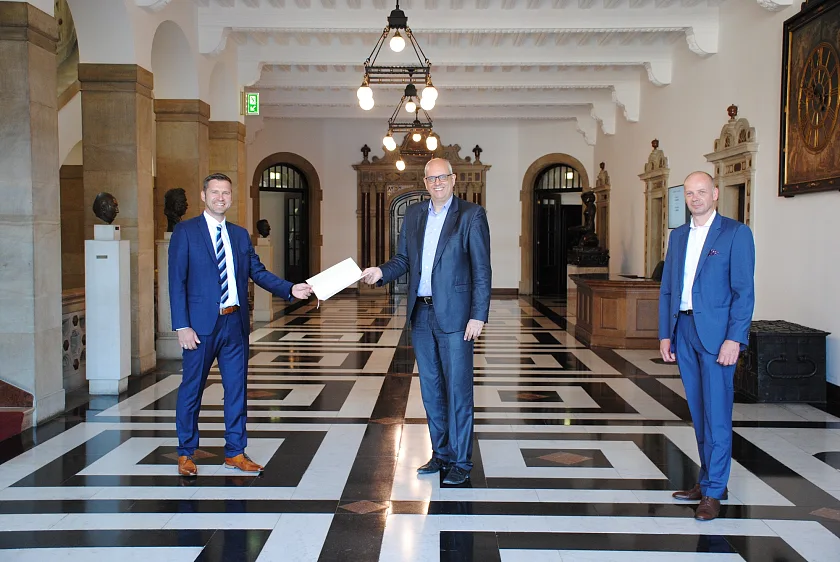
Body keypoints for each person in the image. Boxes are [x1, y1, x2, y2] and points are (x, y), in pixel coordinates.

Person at [169, 172, 313, 477]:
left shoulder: (238, 235)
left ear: (231, 198)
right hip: (199, 326)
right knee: (191, 390)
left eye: (226, 193)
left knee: (236, 390)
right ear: (203, 195)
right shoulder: (186, 232)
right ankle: (185, 453)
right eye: (215, 192)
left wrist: (290, 288)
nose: (221, 198)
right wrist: (182, 325)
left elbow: (257, 272)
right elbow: (176, 281)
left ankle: (235, 452)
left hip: (234, 324)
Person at [361, 158, 491, 485]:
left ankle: (461, 461)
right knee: (431, 389)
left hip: (457, 317)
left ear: (453, 179)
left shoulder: (471, 215)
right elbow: (403, 259)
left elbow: (482, 269)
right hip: (421, 314)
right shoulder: (417, 215)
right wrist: (380, 272)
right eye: (431, 179)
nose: (437, 183)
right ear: (425, 181)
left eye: (442, 178)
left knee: (458, 389)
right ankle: (441, 453)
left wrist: (478, 314)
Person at [658, 171, 755, 521]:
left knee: (717, 414)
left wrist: (735, 337)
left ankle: (714, 490)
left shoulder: (735, 233)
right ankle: (708, 479)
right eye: (689, 193)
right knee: (698, 412)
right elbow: (668, 288)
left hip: (717, 337)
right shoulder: (679, 236)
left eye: (701, 191)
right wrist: (665, 333)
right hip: (683, 329)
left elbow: (744, 292)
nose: (695, 198)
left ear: (715, 193)